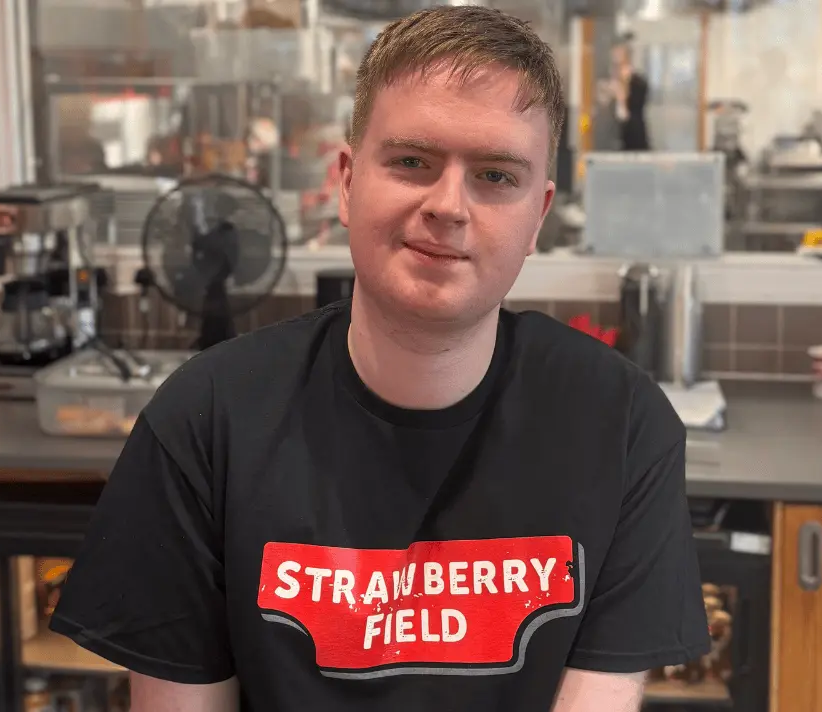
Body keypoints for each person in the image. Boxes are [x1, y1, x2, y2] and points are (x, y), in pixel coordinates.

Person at [50, 6, 710, 712]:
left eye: (495, 177)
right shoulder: (206, 424)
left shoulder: (620, 425)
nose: (448, 206)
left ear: (538, 217)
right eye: (412, 162)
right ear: (345, 180)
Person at [608, 36, 651, 151]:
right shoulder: (614, 80)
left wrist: (620, 94)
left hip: (634, 138)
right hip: (617, 138)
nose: (615, 60)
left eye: (619, 55)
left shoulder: (638, 83)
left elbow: (626, 114)